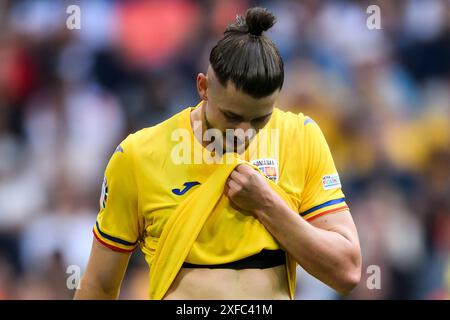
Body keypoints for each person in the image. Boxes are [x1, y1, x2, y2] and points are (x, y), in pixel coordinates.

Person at [74, 7, 361, 300]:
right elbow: (98, 285)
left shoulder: (300, 137)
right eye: (232, 116)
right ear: (203, 87)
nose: (244, 133)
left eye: (260, 119)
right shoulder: (138, 155)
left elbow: (346, 272)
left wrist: (267, 205)